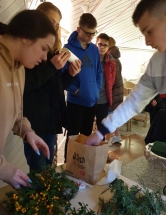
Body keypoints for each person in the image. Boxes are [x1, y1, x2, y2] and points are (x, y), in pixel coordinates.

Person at [86, 0, 166, 212]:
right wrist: (101, 132)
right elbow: (134, 102)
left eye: (149, 31)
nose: (146, 41)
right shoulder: (157, 63)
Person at [0, 9, 56, 189]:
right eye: (43, 48)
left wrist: (27, 131)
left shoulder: (19, 68)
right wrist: (3, 169)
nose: (45, 58)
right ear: (25, 36)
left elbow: (16, 112)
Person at [23, 2, 81, 171]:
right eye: (50, 21)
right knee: (38, 169)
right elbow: (24, 84)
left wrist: (70, 74)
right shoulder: (27, 48)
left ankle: (47, 198)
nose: (53, 27)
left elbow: (57, 86)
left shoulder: (53, 52)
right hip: (34, 121)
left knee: (48, 166)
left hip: (51, 119)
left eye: (56, 24)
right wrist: (51, 67)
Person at [63, 13, 102, 161]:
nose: (91, 37)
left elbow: (99, 72)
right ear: (79, 29)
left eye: (93, 33)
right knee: (73, 137)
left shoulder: (94, 49)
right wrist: (76, 90)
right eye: (88, 33)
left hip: (92, 101)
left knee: (86, 137)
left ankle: (83, 167)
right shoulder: (67, 49)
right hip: (76, 102)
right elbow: (62, 77)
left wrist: (96, 90)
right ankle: (68, 167)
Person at [95, 33, 116, 140]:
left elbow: (112, 81)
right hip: (90, 99)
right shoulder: (91, 58)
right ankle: (85, 153)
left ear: (108, 47)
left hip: (103, 100)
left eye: (105, 45)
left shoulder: (111, 62)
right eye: (100, 44)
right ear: (96, 44)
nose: (102, 47)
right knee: (85, 128)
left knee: (101, 129)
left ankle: (100, 152)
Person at [107, 37, 124, 144]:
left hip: (113, 92)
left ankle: (108, 139)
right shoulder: (116, 58)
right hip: (117, 91)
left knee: (109, 117)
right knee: (111, 116)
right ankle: (117, 136)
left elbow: (112, 79)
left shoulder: (111, 59)